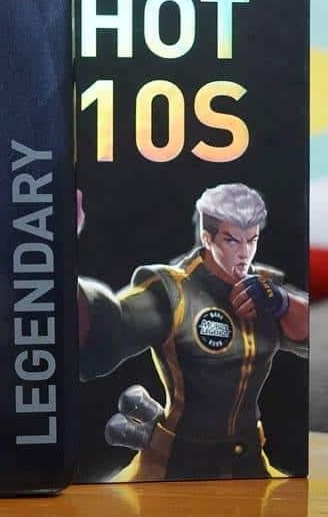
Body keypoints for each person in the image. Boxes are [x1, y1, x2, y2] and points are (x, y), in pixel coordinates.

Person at [77, 183, 309, 480]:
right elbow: (109, 330)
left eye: (252, 240)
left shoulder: (265, 290)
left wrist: (283, 303)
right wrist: (56, 254)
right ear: (207, 237)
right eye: (232, 241)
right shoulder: (175, 292)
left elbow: (314, 340)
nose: (244, 253)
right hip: (174, 464)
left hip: (249, 461)